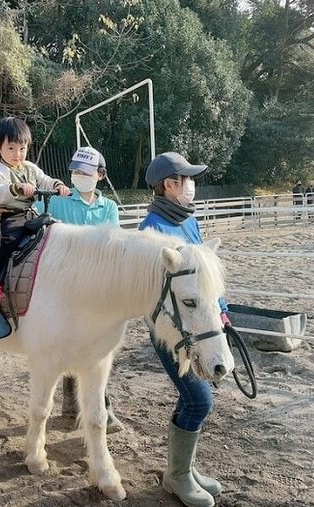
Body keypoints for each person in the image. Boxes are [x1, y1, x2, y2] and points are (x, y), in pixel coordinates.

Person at [139, 151, 229, 507]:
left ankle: (184, 471)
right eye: (186, 180)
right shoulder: (152, 232)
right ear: (168, 185)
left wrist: (220, 312)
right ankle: (177, 476)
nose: (191, 186)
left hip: (200, 323)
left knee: (195, 399)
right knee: (199, 398)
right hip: (173, 332)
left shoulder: (187, 220)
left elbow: (205, 278)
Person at [37, 146, 122, 433]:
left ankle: (94, 406)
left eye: (85, 173)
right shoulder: (59, 202)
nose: (79, 177)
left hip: (97, 287)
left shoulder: (108, 207)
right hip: (64, 285)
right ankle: (79, 406)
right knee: (68, 343)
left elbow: (113, 244)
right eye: (75, 172)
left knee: (97, 347)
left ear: (99, 176)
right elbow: (35, 218)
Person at [0, 117, 70, 302]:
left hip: (28, 214)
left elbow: (45, 180)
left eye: (22, 148)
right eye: (11, 148)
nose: (17, 154)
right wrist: (16, 187)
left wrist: (59, 185)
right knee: (10, 240)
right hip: (8, 216)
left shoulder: (30, 168)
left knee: (52, 229)